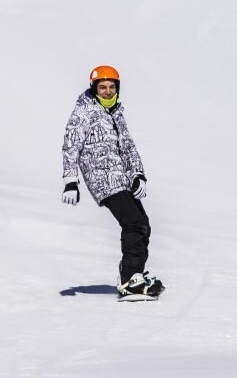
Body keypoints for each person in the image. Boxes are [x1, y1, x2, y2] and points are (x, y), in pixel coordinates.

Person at [62, 65, 163, 300]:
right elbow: (70, 144)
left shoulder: (115, 111)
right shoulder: (84, 111)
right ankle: (129, 279)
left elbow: (127, 146)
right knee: (134, 224)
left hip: (121, 178)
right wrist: (70, 180)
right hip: (101, 178)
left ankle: (134, 274)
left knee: (143, 224)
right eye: (102, 87)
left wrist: (138, 174)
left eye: (111, 87)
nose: (107, 91)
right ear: (94, 88)